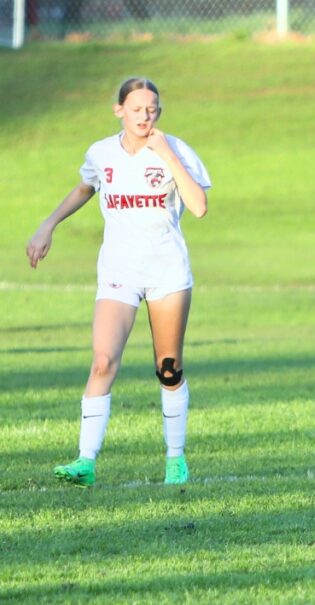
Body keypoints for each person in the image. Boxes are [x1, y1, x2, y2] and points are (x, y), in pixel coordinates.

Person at [26, 77, 211, 487]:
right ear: (119, 110)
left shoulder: (175, 149)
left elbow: (198, 207)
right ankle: (85, 461)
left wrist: (166, 154)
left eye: (152, 109)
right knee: (102, 360)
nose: (145, 116)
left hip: (166, 272)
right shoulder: (101, 153)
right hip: (118, 273)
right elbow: (85, 187)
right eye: (137, 108)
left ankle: (175, 459)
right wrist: (48, 224)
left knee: (168, 368)